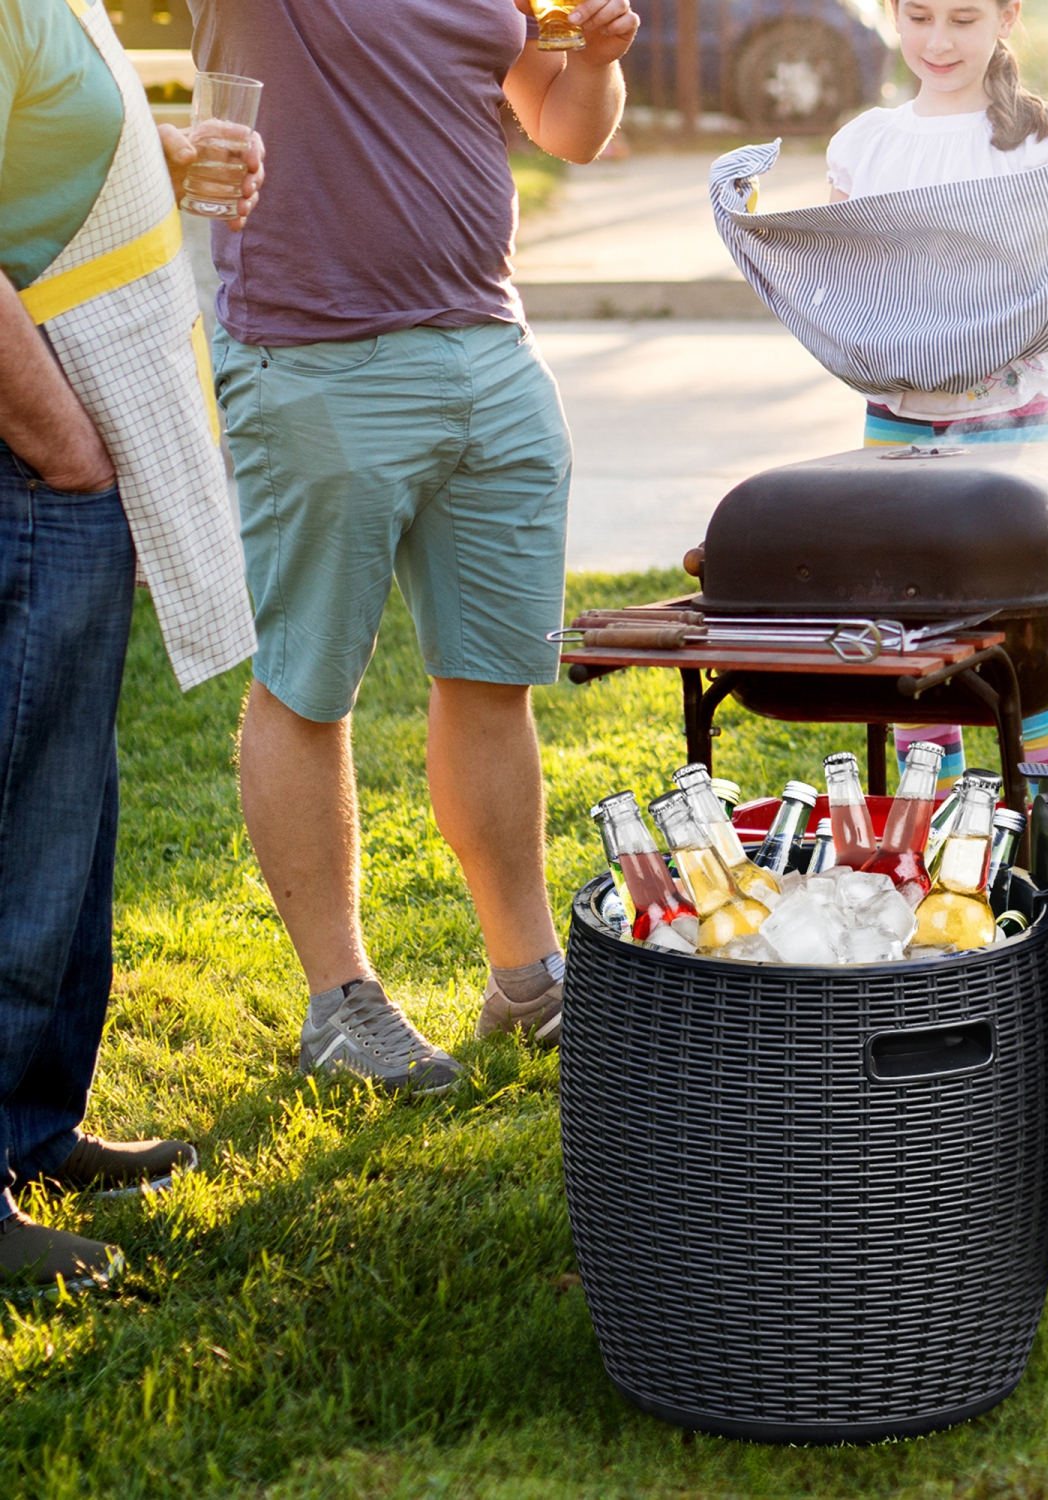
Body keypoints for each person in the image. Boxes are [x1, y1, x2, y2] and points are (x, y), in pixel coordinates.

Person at [191, 0, 639, 1091]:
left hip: (488, 346)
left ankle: (528, 981)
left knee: (495, 676)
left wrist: (596, 59)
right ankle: (341, 1004)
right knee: (308, 683)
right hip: (312, 355)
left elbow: (566, 125)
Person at [0, 0, 263, 1287]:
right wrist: (60, 440)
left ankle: (32, 1123)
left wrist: (155, 150)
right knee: (14, 816)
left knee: (68, 803)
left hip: (61, 446)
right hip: (31, 450)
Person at [824, 0, 1048, 831]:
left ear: (1006, 18)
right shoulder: (865, 143)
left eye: (964, 18)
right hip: (896, 423)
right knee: (915, 668)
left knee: (1024, 673)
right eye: (918, 17)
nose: (938, 41)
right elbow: (843, 284)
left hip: (1010, 425)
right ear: (890, 16)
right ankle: (944, 887)